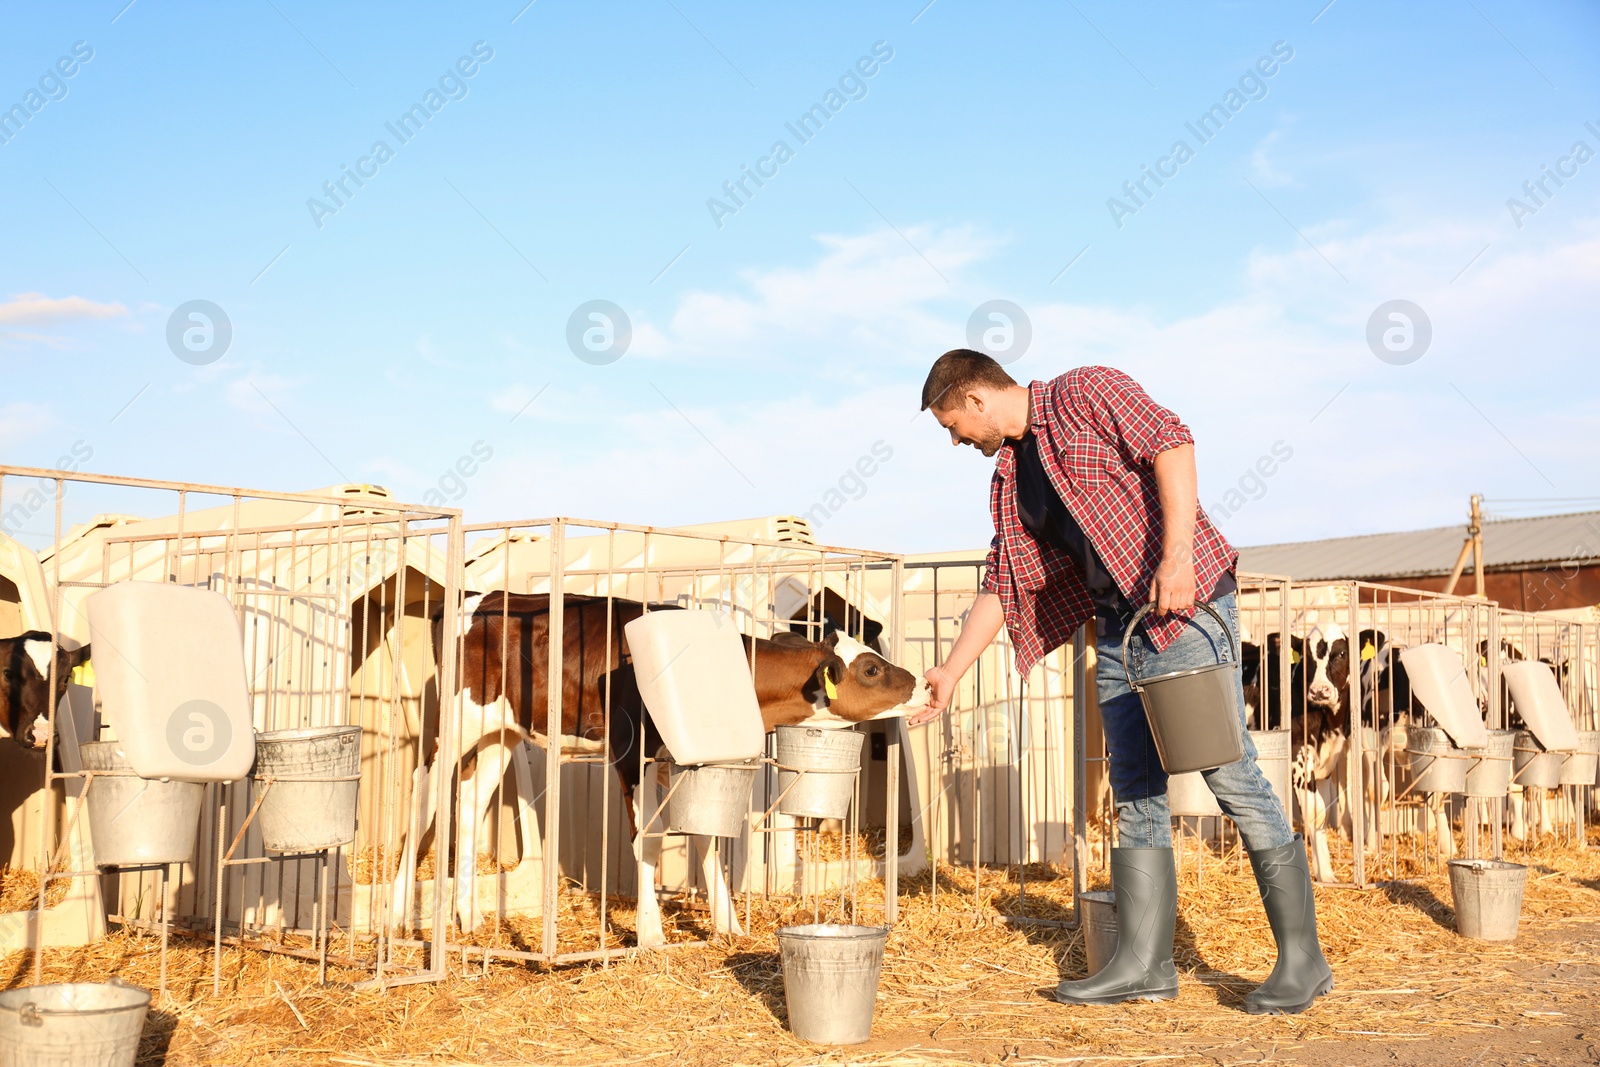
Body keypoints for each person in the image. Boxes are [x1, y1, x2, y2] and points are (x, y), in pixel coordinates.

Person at [908, 350, 1332, 1015]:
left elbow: (1173, 442)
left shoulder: (1086, 392)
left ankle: (1304, 959)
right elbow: (1004, 578)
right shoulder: (1012, 477)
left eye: (952, 425)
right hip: (1117, 629)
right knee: (1134, 789)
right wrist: (951, 670)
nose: (957, 439)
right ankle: (1143, 961)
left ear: (976, 399)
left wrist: (1177, 556)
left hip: (1183, 606)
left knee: (1229, 772)